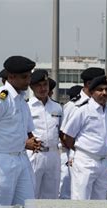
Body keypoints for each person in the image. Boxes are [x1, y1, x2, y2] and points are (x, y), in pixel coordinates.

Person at [0, 55, 39, 206]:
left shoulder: (21, 99)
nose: (28, 81)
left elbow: (26, 131)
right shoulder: (1, 98)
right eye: (24, 77)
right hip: (0, 160)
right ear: (11, 76)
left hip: (20, 158)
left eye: (29, 76)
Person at [63, 75, 107, 200]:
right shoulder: (83, 110)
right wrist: (79, 152)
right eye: (100, 89)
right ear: (91, 92)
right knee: (81, 200)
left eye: (106, 89)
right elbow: (68, 136)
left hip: (103, 162)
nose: (104, 93)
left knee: (101, 201)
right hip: (85, 161)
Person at [27, 70, 63, 199]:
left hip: (53, 154)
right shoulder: (27, 106)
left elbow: (61, 131)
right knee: (31, 193)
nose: (43, 89)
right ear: (32, 87)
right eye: (39, 85)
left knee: (51, 195)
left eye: (45, 85)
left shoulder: (57, 107)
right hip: (35, 154)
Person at [58, 85, 82, 199]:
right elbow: (62, 132)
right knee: (67, 185)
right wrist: (71, 147)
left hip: (79, 151)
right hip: (70, 150)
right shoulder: (71, 106)